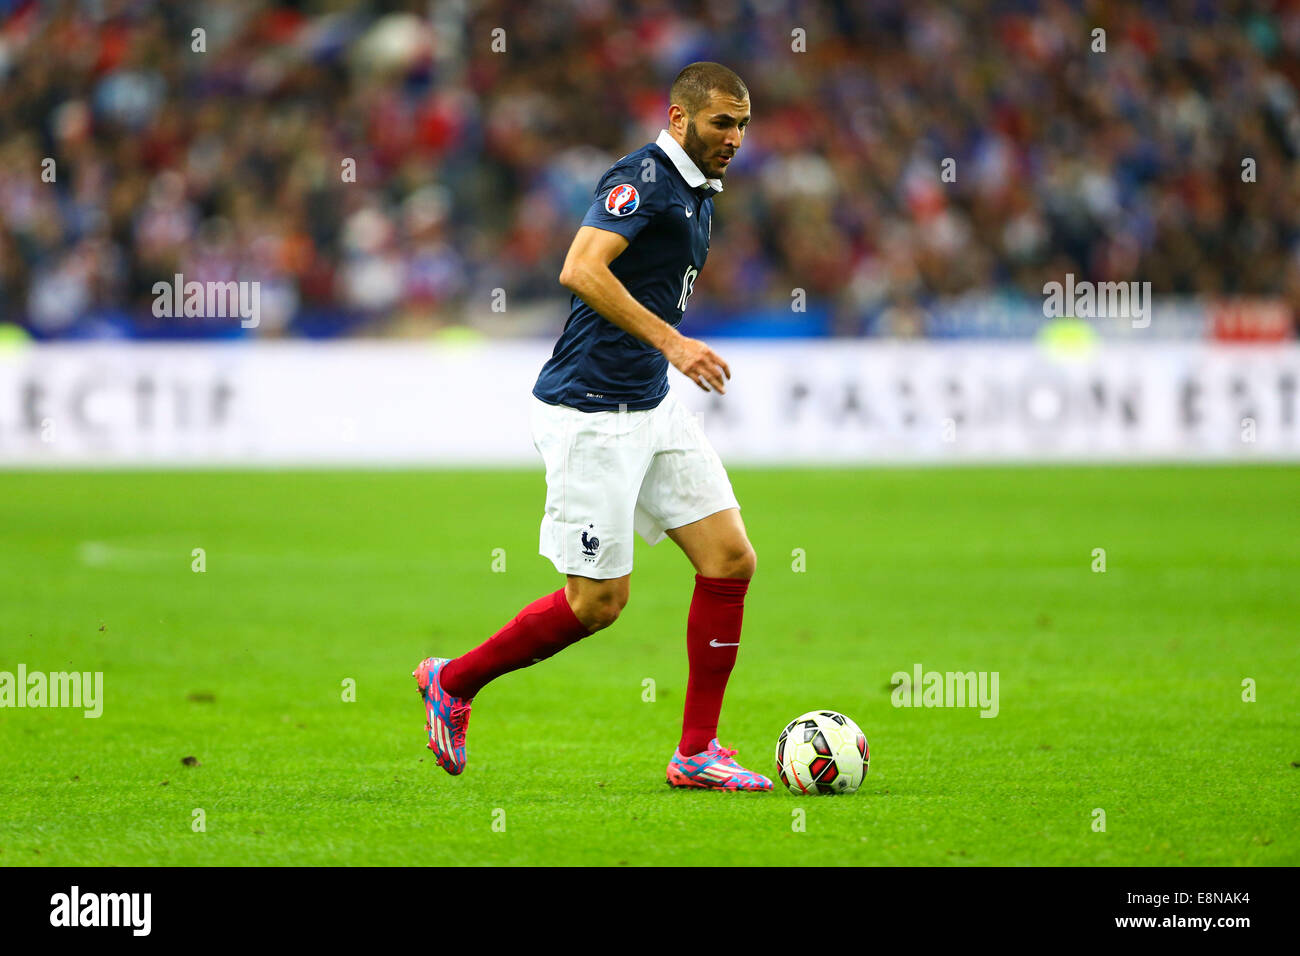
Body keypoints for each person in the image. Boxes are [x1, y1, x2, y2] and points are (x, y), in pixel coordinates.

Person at [415, 62, 769, 790]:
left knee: (731, 559)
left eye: (741, 125)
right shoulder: (644, 177)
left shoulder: (701, 192)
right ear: (679, 120)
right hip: (589, 412)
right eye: (720, 123)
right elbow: (580, 267)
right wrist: (673, 344)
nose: (733, 137)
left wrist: (663, 358)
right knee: (598, 604)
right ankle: (453, 681)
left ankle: (696, 754)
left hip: (650, 403)